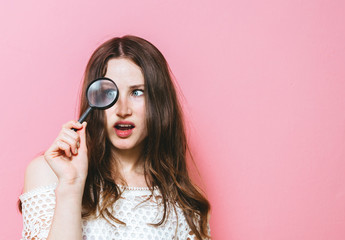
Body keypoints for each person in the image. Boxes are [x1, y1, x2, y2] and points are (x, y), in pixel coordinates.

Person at [18, 35, 211, 240]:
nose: (123, 110)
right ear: (94, 100)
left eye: (137, 92)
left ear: (159, 101)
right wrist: (71, 185)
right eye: (110, 92)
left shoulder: (185, 202)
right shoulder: (51, 173)